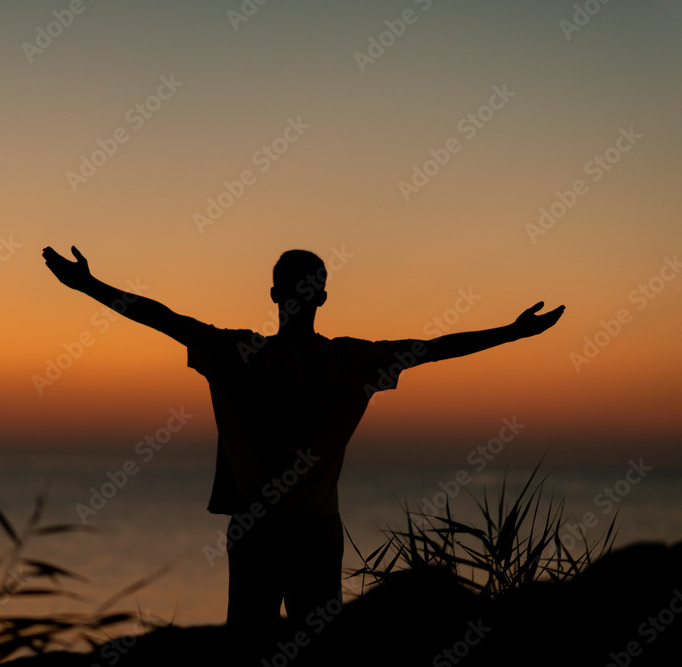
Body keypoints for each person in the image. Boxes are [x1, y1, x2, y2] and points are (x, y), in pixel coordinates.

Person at [41, 245, 564, 638]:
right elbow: (433, 349)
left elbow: (162, 318)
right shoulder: (349, 362)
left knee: (249, 643)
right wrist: (512, 333)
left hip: (257, 529)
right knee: (320, 647)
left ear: (274, 294)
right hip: (316, 529)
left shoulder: (240, 354)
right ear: (323, 296)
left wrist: (87, 285)